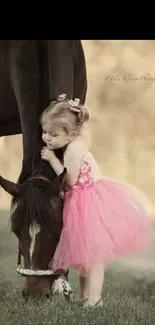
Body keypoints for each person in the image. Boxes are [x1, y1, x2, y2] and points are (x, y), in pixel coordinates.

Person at [40, 93, 152, 308]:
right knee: (84, 256)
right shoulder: (79, 140)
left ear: (71, 134)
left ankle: (95, 299)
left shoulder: (71, 150)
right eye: (45, 132)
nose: (47, 138)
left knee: (94, 258)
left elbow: (70, 181)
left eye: (52, 134)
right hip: (88, 197)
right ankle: (84, 296)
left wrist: (53, 159)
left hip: (85, 201)